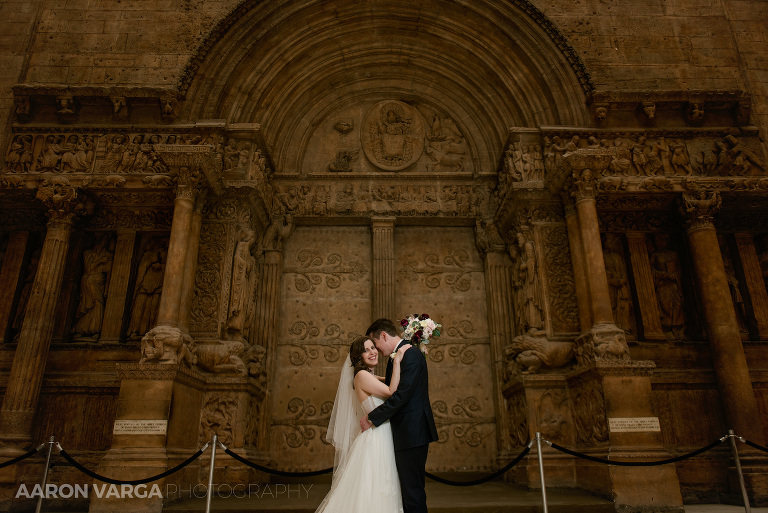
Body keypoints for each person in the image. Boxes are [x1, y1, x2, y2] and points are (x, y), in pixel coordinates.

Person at [317, 336, 410, 513]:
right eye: (366, 350)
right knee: (373, 486)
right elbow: (392, 391)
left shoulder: (369, 376)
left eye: (373, 348)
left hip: (382, 433)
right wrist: (397, 360)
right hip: (377, 437)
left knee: (383, 483)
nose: (373, 352)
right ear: (358, 356)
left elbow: (390, 381)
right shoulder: (361, 375)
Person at [362, 318, 439, 513]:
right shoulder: (400, 355)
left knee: (413, 492)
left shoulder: (410, 354)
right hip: (406, 432)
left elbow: (402, 395)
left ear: (384, 336)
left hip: (412, 432)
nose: (376, 349)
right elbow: (391, 387)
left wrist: (373, 417)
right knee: (408, 491)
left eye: (376, 344)